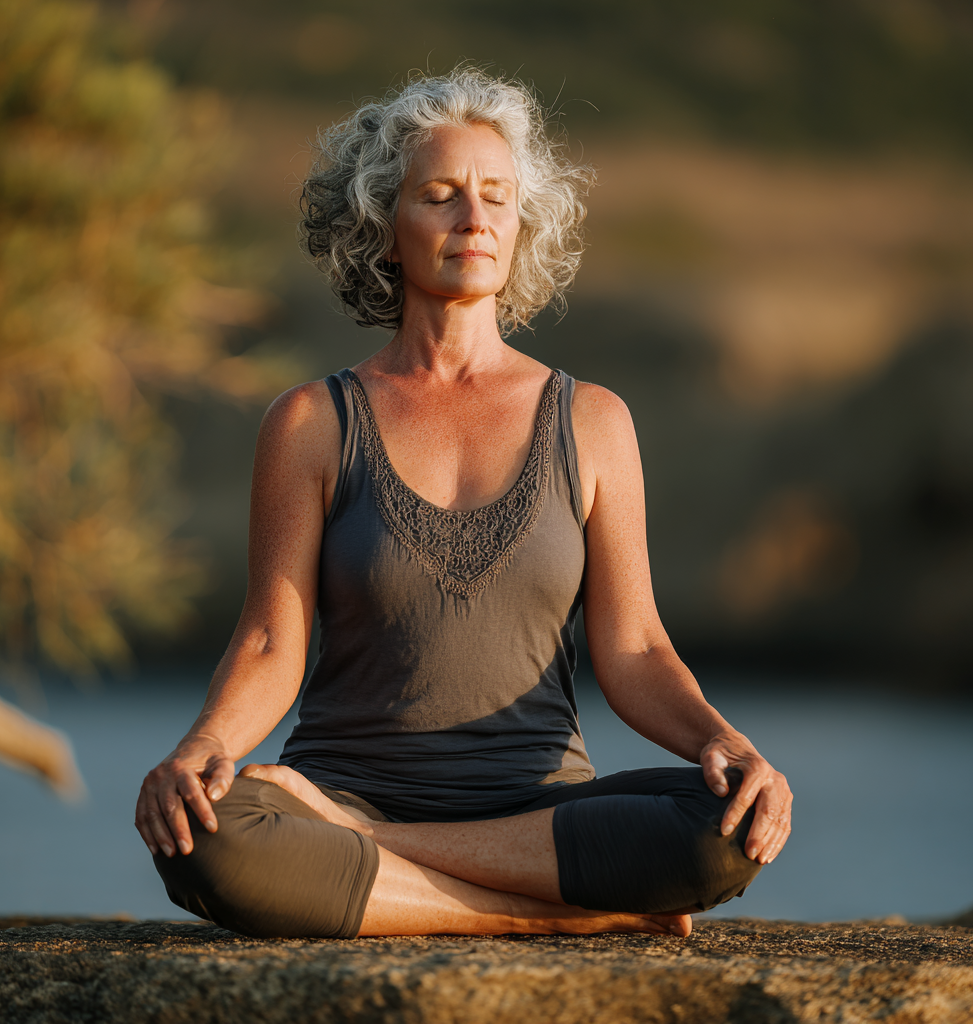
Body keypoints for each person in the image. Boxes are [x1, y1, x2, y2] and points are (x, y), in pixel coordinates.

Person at [135, 68, 792, 940]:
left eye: (495, 197)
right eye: (440, 196)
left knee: (727, 828)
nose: (473, 219)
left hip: (539, 809)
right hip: (335, 788)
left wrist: (731, 746)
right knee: (205, 839)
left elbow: (634, 648)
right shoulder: (311, 423)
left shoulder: (592, 421)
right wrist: (201, 750)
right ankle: (548, 919)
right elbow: (268, 641)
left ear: (523, 225)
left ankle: (378, 850)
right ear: (383, 230)